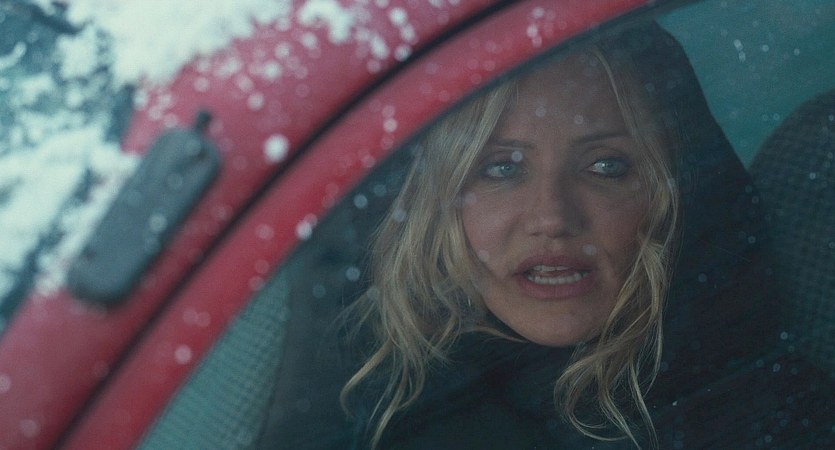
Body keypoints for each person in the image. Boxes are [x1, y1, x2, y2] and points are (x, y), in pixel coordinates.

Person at [258, 20, 835, 449]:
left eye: (605, 166)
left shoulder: (777, 416)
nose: (553, 217)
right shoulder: (378, 408)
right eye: (501, 168)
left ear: (675, 195)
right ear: (439, 202)